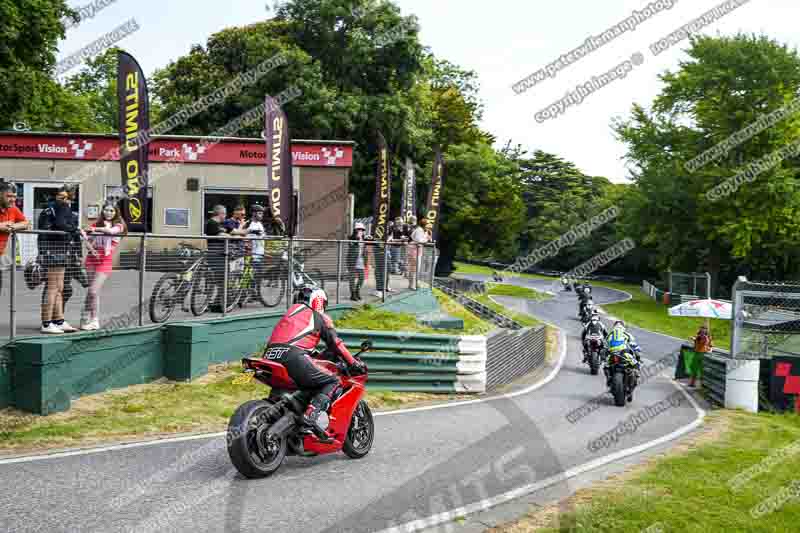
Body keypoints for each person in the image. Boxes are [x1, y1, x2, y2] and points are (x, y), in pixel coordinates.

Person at [264, 285, 366, 439]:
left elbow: (297, 344)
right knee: (334, 380)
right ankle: (309, 417)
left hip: (269, 356)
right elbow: (335, 344)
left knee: (304, 382)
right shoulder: (319, 317)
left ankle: (278, 416)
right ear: (318, 301)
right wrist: (353, 363)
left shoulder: (289, 315)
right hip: (293, 357)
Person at [37, 186, 79, 334]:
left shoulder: (65, 209)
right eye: (60, 196)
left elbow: (69, 227)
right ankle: (46, 323)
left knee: (60, 288)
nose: (62, 200)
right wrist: (42, 252)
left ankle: (59, 320)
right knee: (52, 287)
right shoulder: (52, 210)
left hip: (62, 249)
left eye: (65, 197)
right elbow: (59, 226)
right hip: (52, 250)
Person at [79, 202, 126, 330]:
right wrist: (91, 248)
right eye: (106, 210)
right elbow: (86, 238)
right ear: (102, 211)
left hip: (105, 260)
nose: (108, 213)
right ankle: (89, 319)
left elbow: (110, 231)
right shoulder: (96, 224)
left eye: (111, 211)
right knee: (93, 292)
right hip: (92, 258)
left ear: (116, 212)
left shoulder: (119, 225)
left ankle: (89, 318)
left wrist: (94, 229)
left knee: (93, 290)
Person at [604, 321, 642, 400]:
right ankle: (635, 378)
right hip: (624, 354)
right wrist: (638, 351)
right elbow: (634, 345)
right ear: (624, 327)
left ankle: (609, 380)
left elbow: (605, 345)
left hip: (612, 355)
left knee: (606, 366)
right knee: (637, 365)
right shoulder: (627, 334)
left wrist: (605, 353)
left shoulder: (609, 335)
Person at [205, 205, 231, 313]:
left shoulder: (220, 224)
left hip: (219, 255)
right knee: (221, 281)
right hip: (215, 255)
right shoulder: (211, 223)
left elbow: (227, 233)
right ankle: (220, 305)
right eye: (224, 213)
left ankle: (218, 303)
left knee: (221, 281)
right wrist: (228, 236)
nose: (225, 215)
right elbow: (220, 235)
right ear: (220, 213)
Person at [0, 181, 30, 270]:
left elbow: (27, 223)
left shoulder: (13, 209)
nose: (13, 199)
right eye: (9, 196)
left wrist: (12, 227)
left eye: (14, 196)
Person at [346, 222, 369, 301]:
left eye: (362, 229)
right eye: (359, 229)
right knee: (352, 278)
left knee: (362, 278)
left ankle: (357, 291)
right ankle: (352, 294)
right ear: (355, 230)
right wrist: (358, 238)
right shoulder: (351, 238)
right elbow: (351, 244)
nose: (361, 231)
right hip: (352, 260)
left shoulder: (364, 238)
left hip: (361, 261)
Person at [407, 216, 430, 290]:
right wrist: (426, 240)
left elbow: (414, 236)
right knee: (414, 268)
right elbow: (418, 240)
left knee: (415, 268)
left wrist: (427, 237)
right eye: (427, 224)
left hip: (417, 251)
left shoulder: (422, 230)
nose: (428, 226)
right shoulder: (419, 230)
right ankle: (412, 285)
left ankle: (414, 284)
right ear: (424, 224)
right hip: (414, 250)